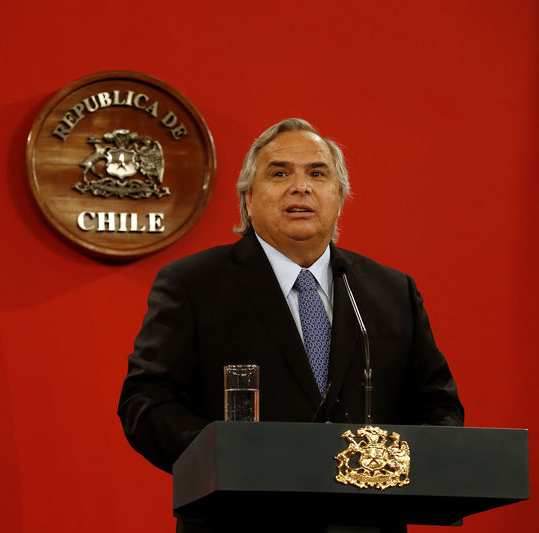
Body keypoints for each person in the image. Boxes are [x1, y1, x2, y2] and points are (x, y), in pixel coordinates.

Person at [117, 118, 464, 532]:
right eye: (279, 173)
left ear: (339, 196)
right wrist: (225, 454)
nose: (301, 187)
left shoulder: (390, 291)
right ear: (248, 197)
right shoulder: (193, 284)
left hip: (367, 522)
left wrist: (403, 464)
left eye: (318, 174)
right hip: (241, 521)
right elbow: (147, 401)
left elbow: (438, 407)